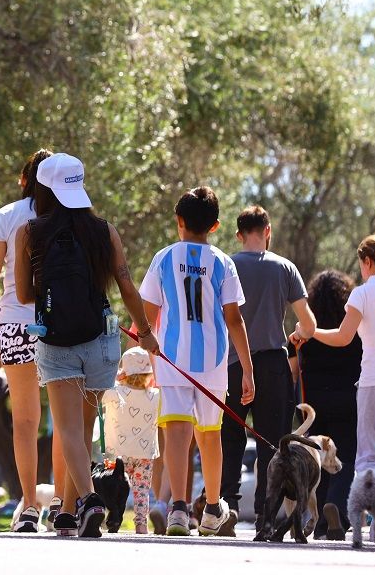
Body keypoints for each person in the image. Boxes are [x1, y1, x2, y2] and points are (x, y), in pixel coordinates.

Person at [14, 152, 157, 539]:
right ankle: (66, 513)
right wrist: (144, 330)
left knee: (70, 432)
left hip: (56, 340)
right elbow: (127, 284)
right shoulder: (103, 230)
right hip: (100, 338)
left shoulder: (29, 232)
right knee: (83, 427)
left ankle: (87, 501)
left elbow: (25, 293)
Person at [138, 186, 252, 537]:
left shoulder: (163, 258)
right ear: (215, 226)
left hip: (171, 359)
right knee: (210, 434)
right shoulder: (223, 262)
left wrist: (144, 343)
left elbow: (147, 313)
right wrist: (248, 370)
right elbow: (234, 319)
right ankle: (213, 509)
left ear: (179, 221)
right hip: (214, 362)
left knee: (175, 431)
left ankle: (177, 509)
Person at [0, 148, 55, 533]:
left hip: (15, 326)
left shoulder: (7, 216)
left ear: (24, 180)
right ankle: (66, 506)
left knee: (24, 420)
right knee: (65, 419)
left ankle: (29, 505)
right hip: (61, 328)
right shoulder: (71, 217)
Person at [220, 206, 316, 534]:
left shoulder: (226, 265)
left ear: (238, 234)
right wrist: (297, 337)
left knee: (229, 437)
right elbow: (309, 323)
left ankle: (226, 509)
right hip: (274, 365)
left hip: (233, 363)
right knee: (271, 444)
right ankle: (265, 516)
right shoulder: (285, 267)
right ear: (268, 231)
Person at [298, 235, 375, 477]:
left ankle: (372, 511)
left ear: (367, 261)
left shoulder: (362, 294)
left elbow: (343, 337)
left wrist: (310, 330)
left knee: (371, 455)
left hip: (373, 383)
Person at [289, 269, 360, 540]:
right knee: (345, 458)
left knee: (318, 460)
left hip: (314, 402)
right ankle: (338, 511)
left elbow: (292, 369)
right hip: (347, 400)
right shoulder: (353, 329)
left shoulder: (306, 332)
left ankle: (320, 523)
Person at [102, 347, 160, 534]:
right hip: (145, 453)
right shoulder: (156, 396)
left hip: (115, 453)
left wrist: (115, 378)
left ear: (123, 372)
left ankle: (111, 518)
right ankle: (141, 524)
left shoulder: (114, 392)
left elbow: (98, 393)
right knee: (142, 490)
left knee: (111, 486)